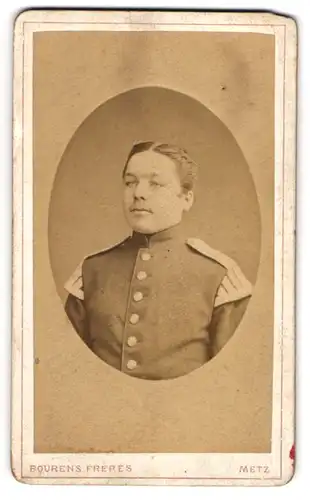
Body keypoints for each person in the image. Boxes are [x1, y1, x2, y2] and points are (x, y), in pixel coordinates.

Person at [64, 141, 252, 380]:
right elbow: (68, 372)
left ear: (186, 198)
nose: (138, 193)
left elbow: (232, 381)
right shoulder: (92, 270)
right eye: (130, 182)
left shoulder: (219, 277)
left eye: (155, 183)